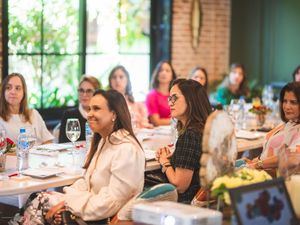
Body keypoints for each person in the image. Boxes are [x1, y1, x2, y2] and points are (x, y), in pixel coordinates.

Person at [10, 89, 145, 224]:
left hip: (103, 218)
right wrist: (66, 201)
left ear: (114, 114)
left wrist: (69, 205)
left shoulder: (126, 149)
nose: (89, 114)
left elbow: (112, 202)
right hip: (91, 209)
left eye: (96, 109)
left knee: (39, 203)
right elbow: (86, 183)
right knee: (39, 201)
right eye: (89, 109)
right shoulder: (105, 141)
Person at [156, 79, 212, 203]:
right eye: (169, 98)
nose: (170, 103)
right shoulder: (205, 129)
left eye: (174, 98)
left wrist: (164, 161)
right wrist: (177, 156)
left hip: (184, 205)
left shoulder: (189, 135)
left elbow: (180, 186)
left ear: (191, 100)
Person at [247, 82, 300, 169]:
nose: (287, 106)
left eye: (293, 102)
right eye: (285, 101)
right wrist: (254, 160)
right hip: (263, 170)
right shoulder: (288, 123)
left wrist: (258, 164)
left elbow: (288, 157)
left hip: (278, 179)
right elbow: (268, 152)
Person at [0, 73, 53, 145]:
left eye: (17, 88)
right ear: (3, 92)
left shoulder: (34, 114)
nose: (13, 92)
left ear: (23, 93)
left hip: (38, 156)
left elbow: (48, 141)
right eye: (8, 87)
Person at [59, 75, 101, 143]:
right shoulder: (69, 115)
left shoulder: (101, 115)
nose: (84, 94)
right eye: (81, 90)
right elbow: (62, 144)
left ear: (97, 94)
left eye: (89, 91)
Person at [145, 60, 177, 126]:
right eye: (161, 70)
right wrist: (177, 121)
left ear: (172, 75)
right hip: (157, 133)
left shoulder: (176, 95)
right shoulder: (151, 96)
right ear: (157, 74)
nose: (164, 73)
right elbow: (156, 122)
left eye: (167, 70)